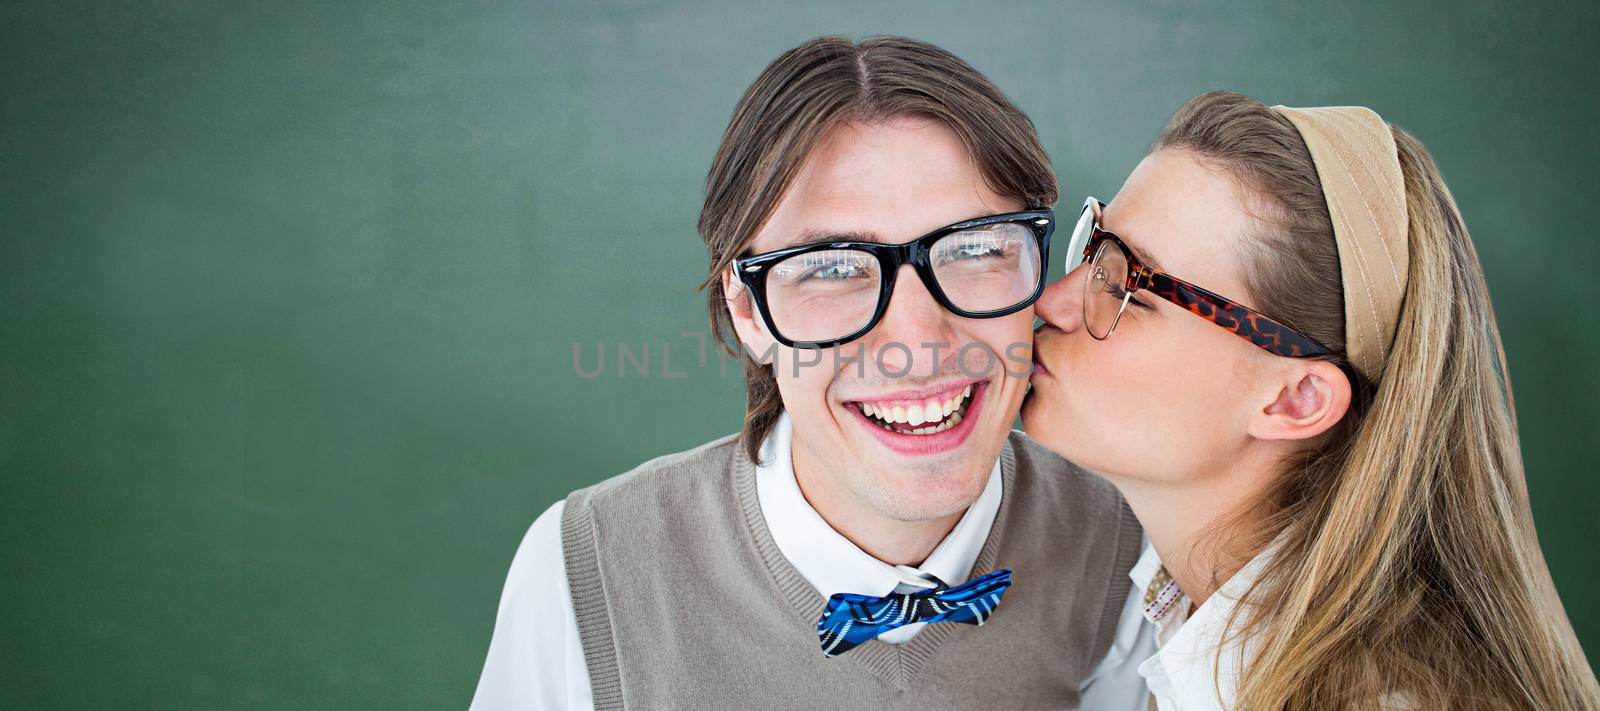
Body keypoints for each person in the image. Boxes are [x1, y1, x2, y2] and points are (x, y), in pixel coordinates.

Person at [470, 36, 1151, 710]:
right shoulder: (585, 572)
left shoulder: (1131, 551)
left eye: (975, 248)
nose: (917, 341)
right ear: (748, 309)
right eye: (831, 267)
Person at [1022, 90, 1600, 709]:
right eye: (1093, 250)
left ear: (1295, 400)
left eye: (1132, 293)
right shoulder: (1152, 607)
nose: (1050, 304)